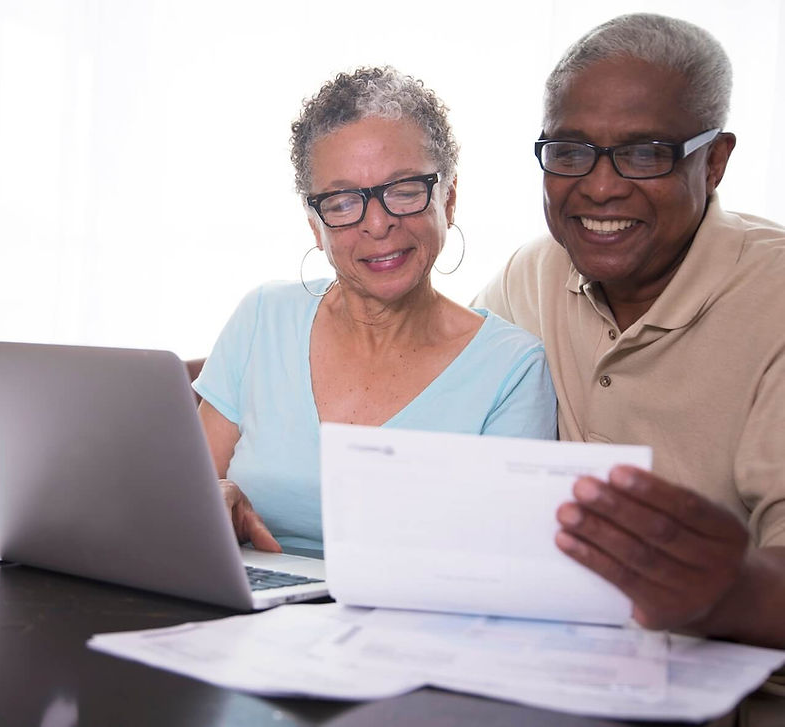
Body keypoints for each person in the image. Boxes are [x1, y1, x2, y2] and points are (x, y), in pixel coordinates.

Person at [474, 13, 785, 649]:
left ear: (716, 161)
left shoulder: (774, 299)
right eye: (569, 150)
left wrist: (728, 589)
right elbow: (410, 386)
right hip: (544, 666)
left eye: (646, 153)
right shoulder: (528, 275)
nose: (600, 186)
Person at [194, 67, 557, 553]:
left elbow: (502, 557)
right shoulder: (263, 317)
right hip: (245, 610)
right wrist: (210, 500)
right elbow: (184, 499)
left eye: (405, 189)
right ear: (314, 224)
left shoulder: (512, 368)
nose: (378, 223)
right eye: (343, 201)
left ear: (448, 199)